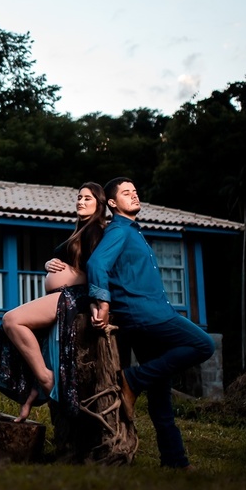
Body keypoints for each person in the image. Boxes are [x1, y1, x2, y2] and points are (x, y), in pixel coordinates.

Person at [87, 176, 215, 469]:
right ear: (112, 203)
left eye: (135, 191)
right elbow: (96, 264)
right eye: (126, 193)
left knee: (160, 392)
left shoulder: (132, 232)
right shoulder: (119, 230)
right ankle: (133, 379)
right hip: (147, 315)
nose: (134, 195)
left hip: (145, 316)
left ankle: (175, 460)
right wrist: (102, 301)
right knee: (203, 345)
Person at [1, 182, 107, 421]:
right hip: (62, 295)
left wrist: (95, 301)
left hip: (75, 297)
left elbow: (97, 269)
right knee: (24, 332)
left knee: (12, 320)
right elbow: (66, 260)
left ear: (100, 204)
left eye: (87, 198)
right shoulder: (81, 230)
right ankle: (34, 391)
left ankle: (45, 378)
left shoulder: (96, 231)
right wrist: (48, 264)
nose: (81, 202)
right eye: (79, 197)